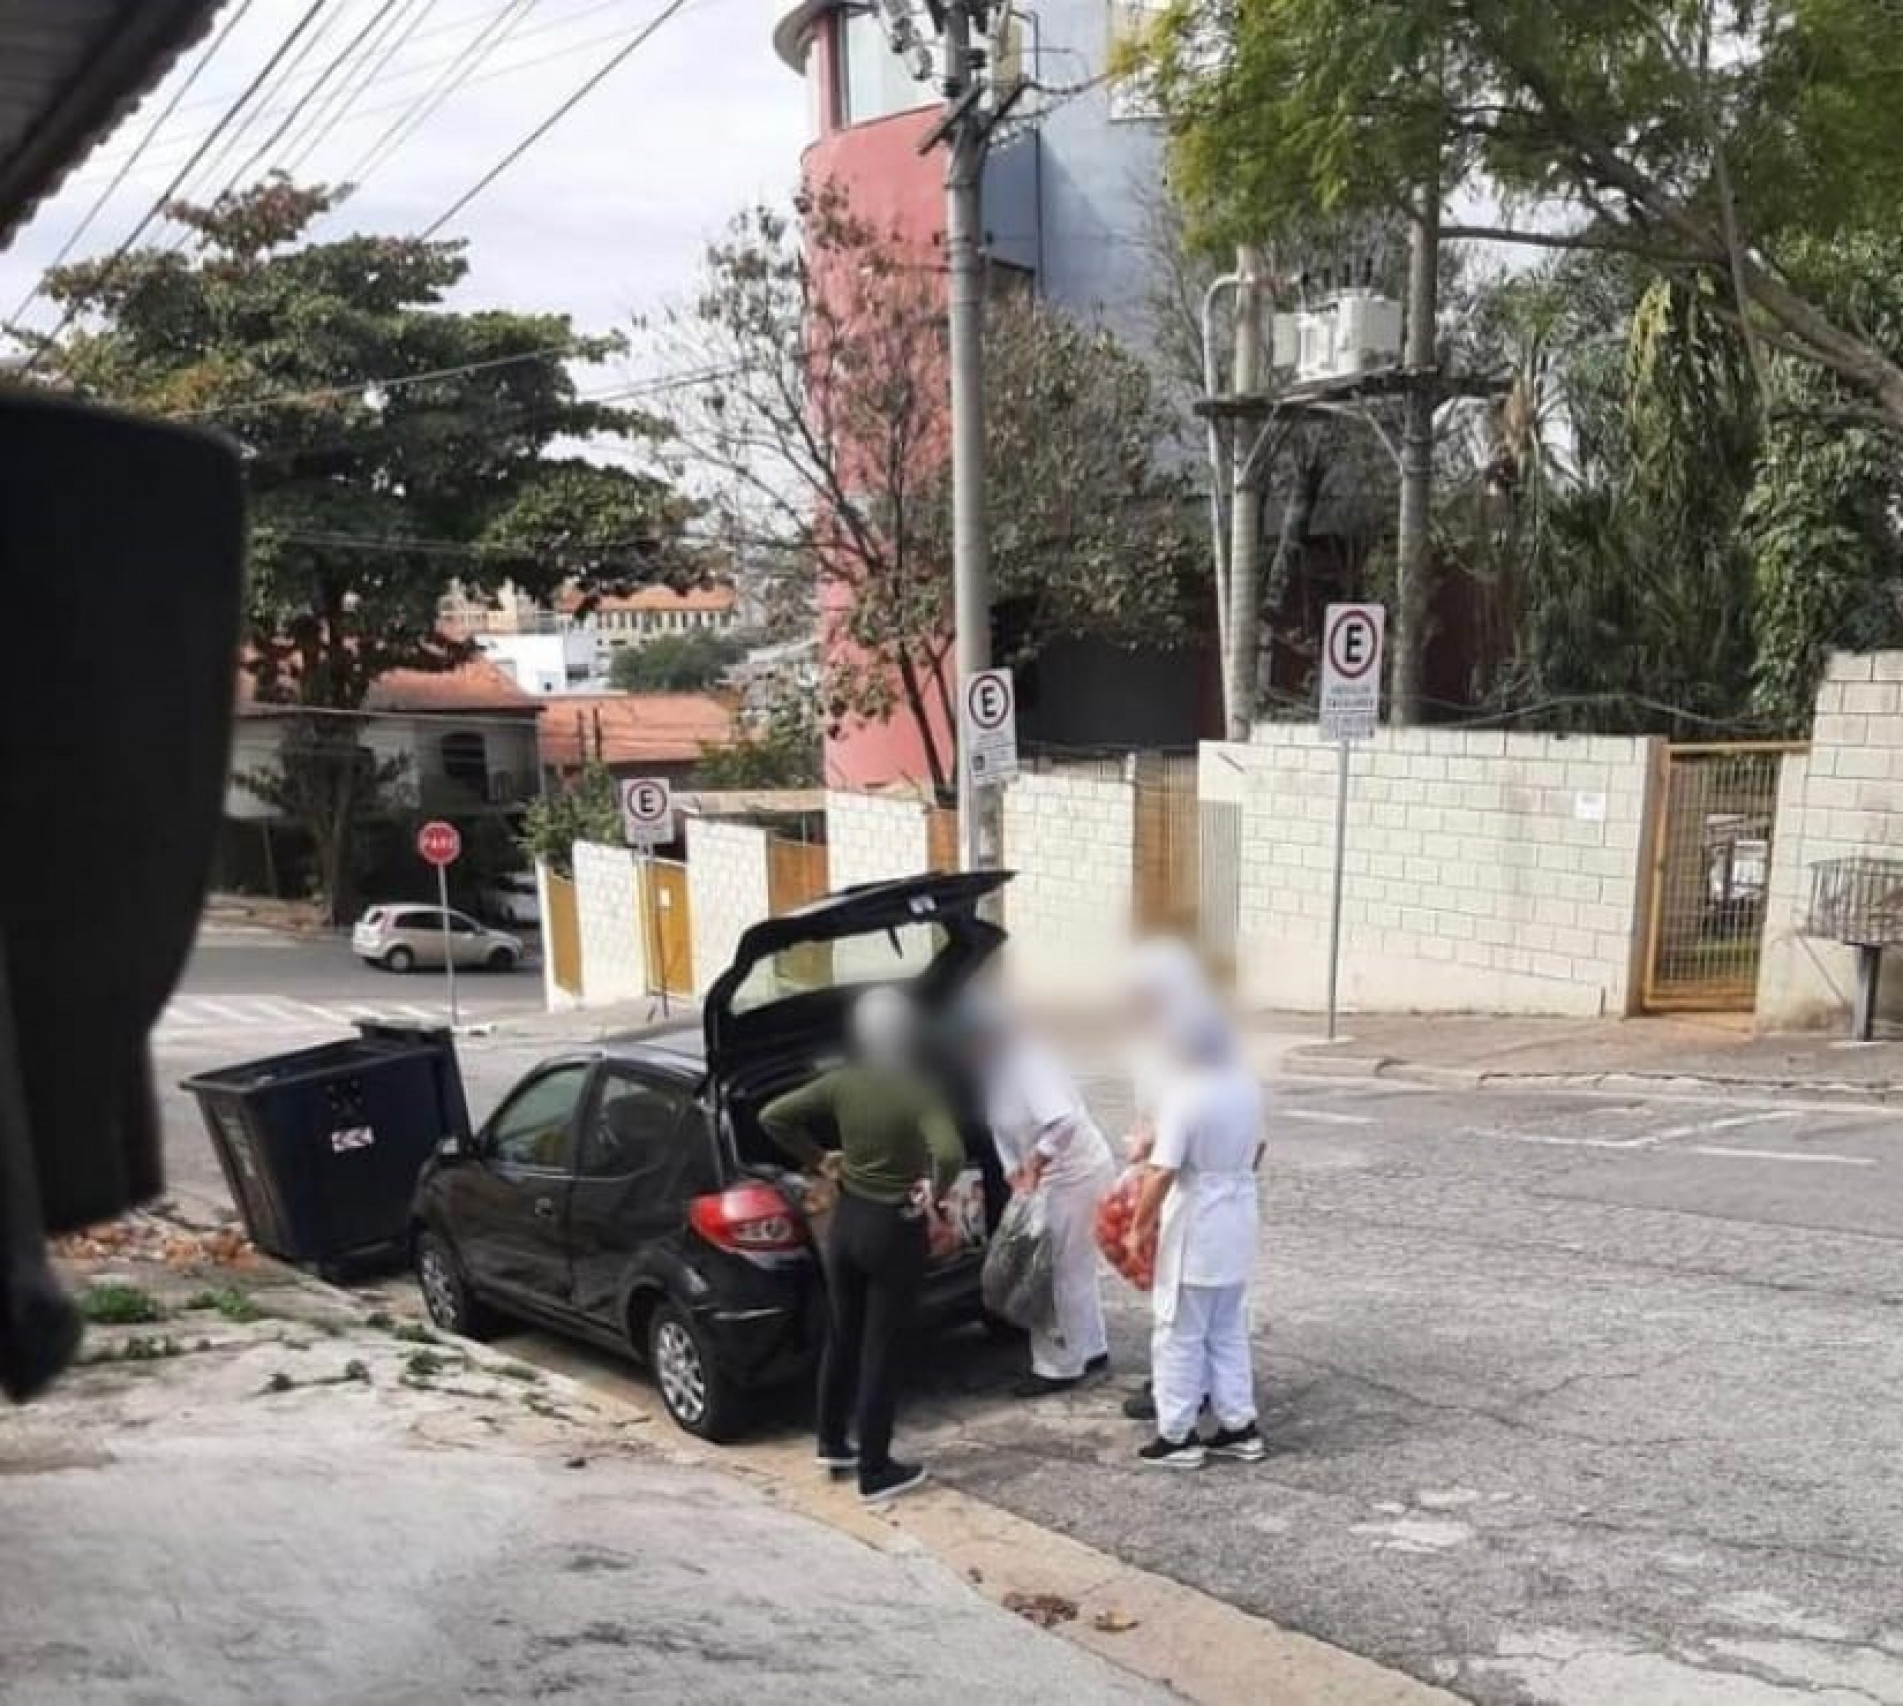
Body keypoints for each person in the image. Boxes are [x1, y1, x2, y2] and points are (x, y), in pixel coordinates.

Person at [760, 985, 965, 1504]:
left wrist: (818, 1159)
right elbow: (951, 1153)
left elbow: (773, 1116)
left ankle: (831, 1441)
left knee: (841, 1334)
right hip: (892, 1227)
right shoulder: (918, 1089)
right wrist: (932, 1193)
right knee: (882, 1347)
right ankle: (876, 1469)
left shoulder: (841, 1082)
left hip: (846, 1223)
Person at [1124, 944, 1267, 1468]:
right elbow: (1259, 1151)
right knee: (1228, 1329)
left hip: (1197, 1222)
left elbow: (1163, 1172)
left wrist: (1139, 1229)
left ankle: (1178, 1433)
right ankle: (1239, 1424)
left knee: (1179, 1333)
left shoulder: (1186, 1093)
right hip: (1237, 1216)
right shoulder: (1246, 1087)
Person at [960, 991, 1117, 1397]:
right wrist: (1013, 1168)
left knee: (1053, 1271)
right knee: (1074, 1267)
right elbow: (1002, 1125)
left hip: (1072, 1176)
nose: (965, 1050)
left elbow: (1063, 1122)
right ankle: (1090, 1348)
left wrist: (1036, 1162)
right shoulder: (998, 1065)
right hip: (1052, 1176)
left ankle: (1058, 1366)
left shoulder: (1029, 1062)